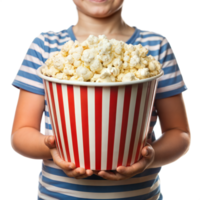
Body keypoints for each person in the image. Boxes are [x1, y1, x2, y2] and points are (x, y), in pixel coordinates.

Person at [9, 0, 192, 199]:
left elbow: (179, 133)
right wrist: (52, 148)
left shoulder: (156, 47)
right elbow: (20, 134)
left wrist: (150, 157)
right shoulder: (44, 46)